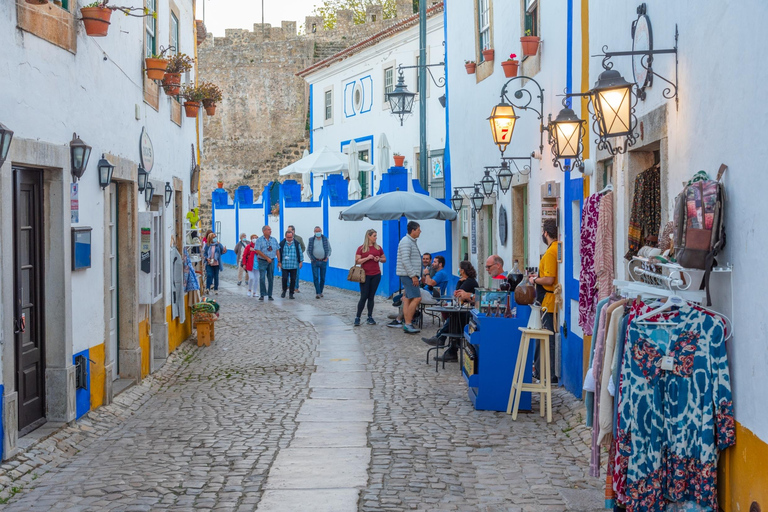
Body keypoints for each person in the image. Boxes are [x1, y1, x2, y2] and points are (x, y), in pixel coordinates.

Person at [423, 261, 480, 362]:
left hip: (470, 314)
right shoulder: (465, 281)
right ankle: (447, 346)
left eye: (459, 268)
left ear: (462, 270)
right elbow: (458, 293)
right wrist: (459, 282)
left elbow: (458, 294)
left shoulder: (470, 281)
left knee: (456, 318)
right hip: (465, 311)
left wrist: (460, 284)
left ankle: (442, 340)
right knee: (454, 318)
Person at [529, 218, 559, 383]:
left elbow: (548, 279)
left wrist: (534, 280)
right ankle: (545, 371)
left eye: (542, 231)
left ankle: (547, 372)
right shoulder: (556, 248)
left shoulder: (550, 253)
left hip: (548, 301)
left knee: (547, 338)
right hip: (550, 300)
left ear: (546, 233)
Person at [353, 229, 386, 326]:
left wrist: (379, 259)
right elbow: (357, 261)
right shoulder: (361, 248)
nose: (376, 237)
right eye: (374, 236)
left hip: (376, 275)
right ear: (369, 236)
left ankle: (370, 316)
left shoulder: (378, 248)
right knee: (364, 296)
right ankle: (357, 317)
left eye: (376, 236)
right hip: (365, 275)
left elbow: (384, 259)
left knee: (371, 297)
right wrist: (367, 258)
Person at [396, 221, 423, 334]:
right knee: (417, 298)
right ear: (413, 231)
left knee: (407, 298)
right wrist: (413, 276)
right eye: (418, 229)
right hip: (408, 275)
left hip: (408, 275)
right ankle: (408, 323)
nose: (420, 231)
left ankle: (406, 323)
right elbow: (406, 260)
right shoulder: (406, 242)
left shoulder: (410, 241)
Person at [254, 225, 279, 301]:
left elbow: (277, 250)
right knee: (262, 277)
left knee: (271, 278)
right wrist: (266, 258)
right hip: (262, 261)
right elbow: (258, 250)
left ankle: (270, 294)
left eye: (270, 229)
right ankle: (262, 294)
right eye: (268, 230)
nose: (270, 231)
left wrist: (279, 261)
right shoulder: (259, 240)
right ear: (264, 231)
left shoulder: (274, 240)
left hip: (271, 261)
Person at [307, 226, 332, 299]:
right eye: (316, 231)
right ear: (314, 232)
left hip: (323, 261)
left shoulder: (325, 239)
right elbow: (308, 250)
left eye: (319, 231)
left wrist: (327, 257)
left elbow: (329, 249)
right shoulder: (311, 240)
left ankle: (320, 291)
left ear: (321, 231)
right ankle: (318, 292)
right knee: (315, 277)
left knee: (323, 278)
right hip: (314, 261)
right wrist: (311, 258)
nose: (318, 233)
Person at [278, 229, 303, 299]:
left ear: (293, 237)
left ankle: (291, 293)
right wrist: (279, 262)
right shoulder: (282, 243)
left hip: (293, 264)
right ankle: (284, 291)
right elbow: (279, 253)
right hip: (285, 265)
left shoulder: (296, 243)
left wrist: (301, 261)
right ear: (285, 237)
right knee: (285, 279)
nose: (289, 239)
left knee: (293, 279)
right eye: (288, 237)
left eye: (290, 237)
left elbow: (300, 252)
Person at [287, 225, 305, 293]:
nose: (288, 231)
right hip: (288, 259)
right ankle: (288, 286)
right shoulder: (286, 238)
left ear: (293, 231)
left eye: (290, 230)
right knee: (288, 273)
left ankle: (296, 287)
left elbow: (303, 247)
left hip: (296, 259)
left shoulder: (299, 238)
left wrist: (299, 253)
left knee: (296, 274)